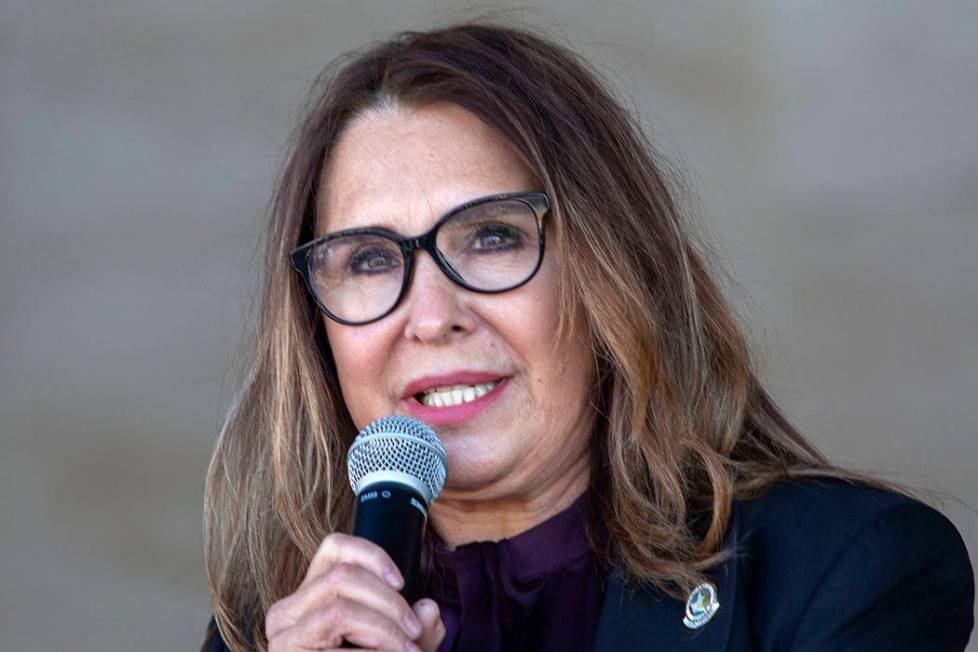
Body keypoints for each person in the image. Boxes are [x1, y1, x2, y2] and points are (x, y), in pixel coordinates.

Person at [201, 21, 974, 652]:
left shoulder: (843, 572)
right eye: (369, 260)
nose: (431, 315)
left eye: (493, 238)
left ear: (611, 271)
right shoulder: (265, 632)